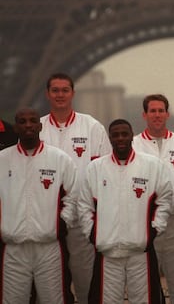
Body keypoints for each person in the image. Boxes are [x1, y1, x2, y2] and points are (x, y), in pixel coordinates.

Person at [78, 119, 172, 303]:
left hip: (141, 253)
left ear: (131, 136)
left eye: (124, 134)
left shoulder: (152, 166)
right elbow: (84, 206)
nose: (120, 138)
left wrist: (153, 230)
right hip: (107, 254)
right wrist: (93, 234)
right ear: (110, 138)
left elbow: (165, 199)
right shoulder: (95, 169)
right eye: (115, 135)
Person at [39, 73, 112, 304]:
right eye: (55, 90)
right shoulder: (36, 128)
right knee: (49, 286)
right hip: (46, 218)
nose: (60, 95)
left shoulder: (91, 127)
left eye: (64, 90)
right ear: (47, 94)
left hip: (82, 217)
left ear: (73, 93)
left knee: (85, 280)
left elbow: (105, 173)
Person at [0, 107, 78, 303]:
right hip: (13, 248)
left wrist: (62, 224)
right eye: (22, 121)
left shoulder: (60, 159)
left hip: (49, 248)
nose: (28, 125)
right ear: (15, 128)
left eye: (33, 121)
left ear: (40, 125)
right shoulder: (2, 160)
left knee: (54, 300)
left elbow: (74, 197)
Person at [132, 94, 174, 303]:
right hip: (145, 226)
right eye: (152, 111)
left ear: (167, 114)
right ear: (144, 115)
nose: (157, 115)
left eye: (160, 111)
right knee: (146, 286)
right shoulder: (133, 145)